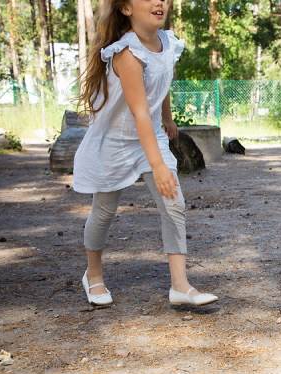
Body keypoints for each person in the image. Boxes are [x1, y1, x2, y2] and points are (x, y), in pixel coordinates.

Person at [73, 0, 217, 307]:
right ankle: (93, 275)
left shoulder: (167, 42)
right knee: (104, 211)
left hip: (149, 135)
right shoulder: (127, 53)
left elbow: (160, 84)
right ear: (126, 9)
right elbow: (138, 113)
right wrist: (159, 166)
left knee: (173, 204)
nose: (159, 2)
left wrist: (167, 117)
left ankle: (180, 286)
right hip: (115, 141)